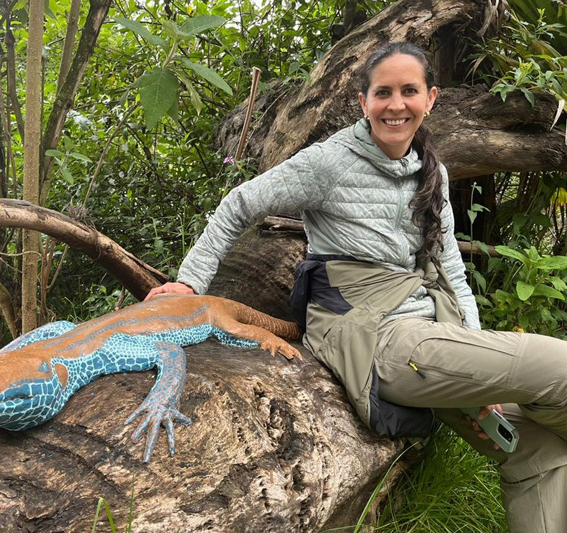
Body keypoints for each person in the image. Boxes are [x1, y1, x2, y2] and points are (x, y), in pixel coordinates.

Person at [145, 42, 567, 532]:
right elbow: (239, 204)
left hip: (431, 334)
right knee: (559, 365)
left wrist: (480, 354)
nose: (395, 104)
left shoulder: (432, 170)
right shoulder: (329, 162)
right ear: (363, 101)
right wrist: (189, 283)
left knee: (538, 451)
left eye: (409, 91)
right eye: (382, 92)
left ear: (430, 98)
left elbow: (450, 264)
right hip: (372, 338)